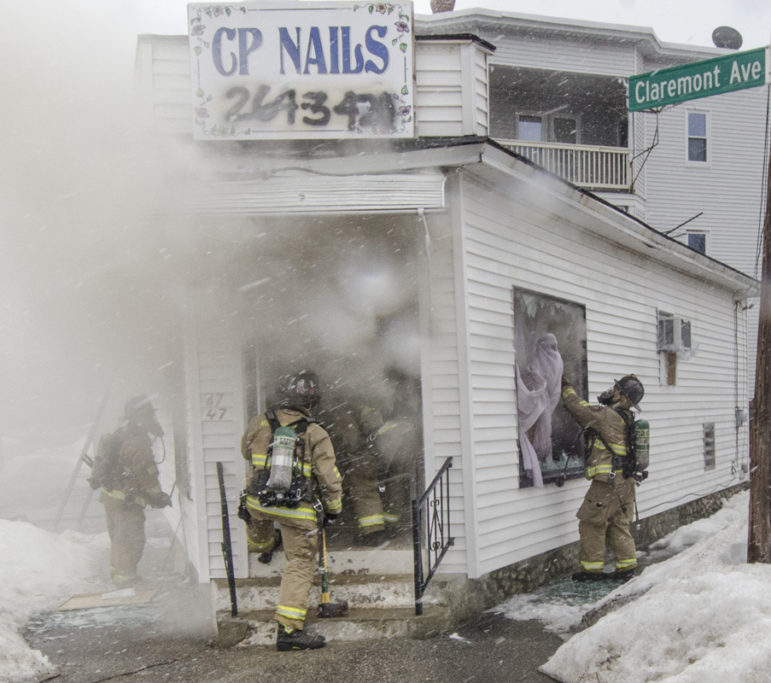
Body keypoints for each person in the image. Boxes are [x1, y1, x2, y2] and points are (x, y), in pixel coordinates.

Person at [240, 369, 343, 651]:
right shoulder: (316, 432)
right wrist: (334, 509)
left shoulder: (259, 422)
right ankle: (288, 630)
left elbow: (245, 452)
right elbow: (329, 476)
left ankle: (262, 545)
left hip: (259, 502)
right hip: (296, 509)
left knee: (258, 525)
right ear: (312, 402)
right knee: (300, 561)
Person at [561, 374, 644, 581]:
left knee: (591, 522)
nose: (611, 392)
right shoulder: (628, 418)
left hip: (608, 484)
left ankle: (592, 571)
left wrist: (565, 387)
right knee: (618, 524)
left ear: (623, 398)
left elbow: (577, 408)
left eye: (616, 390)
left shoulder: (606, 415)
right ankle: (626, 567)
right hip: (626, 483)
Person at [96, 395, 171, 587]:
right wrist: (157, 496)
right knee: (131, 541)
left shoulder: (122, 434)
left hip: (111, 497)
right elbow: (147, 473)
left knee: (119, 539)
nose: (152, 420)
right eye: (149, 416)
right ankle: (126, 582)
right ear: (142, 417)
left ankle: (118, 575)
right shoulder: (138, 442)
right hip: (126, 501)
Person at [321, 396, 389, 546]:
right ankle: (374, 532)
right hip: (366, 458)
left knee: (362, 492)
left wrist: (350, 454)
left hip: (358, 459)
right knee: (366, 492)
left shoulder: (343, 411)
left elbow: (351, 439)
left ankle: (373, 533)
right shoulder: (366, 408)